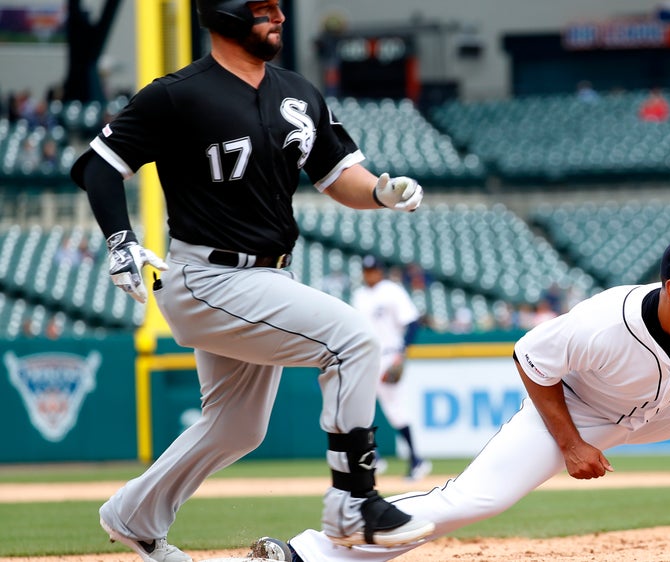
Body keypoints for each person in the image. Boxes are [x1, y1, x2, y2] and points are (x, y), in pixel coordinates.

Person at [277, 233, 670, 562]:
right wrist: (571, 442)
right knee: (475, 500)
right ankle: (315, 551)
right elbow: (529, 359)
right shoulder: (604, 322)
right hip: (578, 411)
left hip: (664, 406)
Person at [69, 2, 434, 561]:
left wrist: (380, 192)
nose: (279, 16)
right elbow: (100, 165)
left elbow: (339, 175)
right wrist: (120, 240)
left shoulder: (298, 91)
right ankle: (353, 501)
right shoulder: (177, 95)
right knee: (354, 340)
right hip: (207, 277)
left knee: (237, 427)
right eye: (263, 9)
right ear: (225, 14)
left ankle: (133, 517)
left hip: (265, 276)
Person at [351, 255, 432, 481]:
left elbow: (412, 323)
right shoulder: (359, 295)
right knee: (357, 408)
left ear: (380, 271)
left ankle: (417, 460)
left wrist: (402, 354)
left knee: (395, 411)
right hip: (367, 358)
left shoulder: (392, 291)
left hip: (389, 356)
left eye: (373, 270)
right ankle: (374, 457)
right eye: (366, 270)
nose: (370, 274)